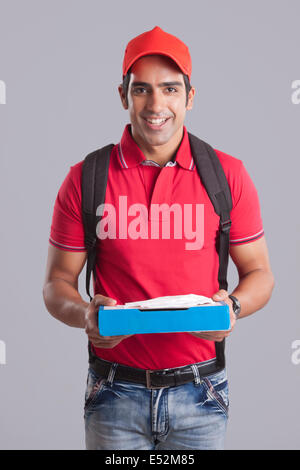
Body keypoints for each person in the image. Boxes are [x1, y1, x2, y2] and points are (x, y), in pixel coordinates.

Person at [43, 26, 274, 450]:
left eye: (169, 89)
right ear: (122, 95)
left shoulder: (227, 176)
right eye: (142, 90)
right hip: (114, 394)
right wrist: (86, 316)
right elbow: (56, 284)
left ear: (189, 96)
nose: (155, 105)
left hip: (200, 393)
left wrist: (233, 306)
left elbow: (260, 273)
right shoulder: (86, 178)